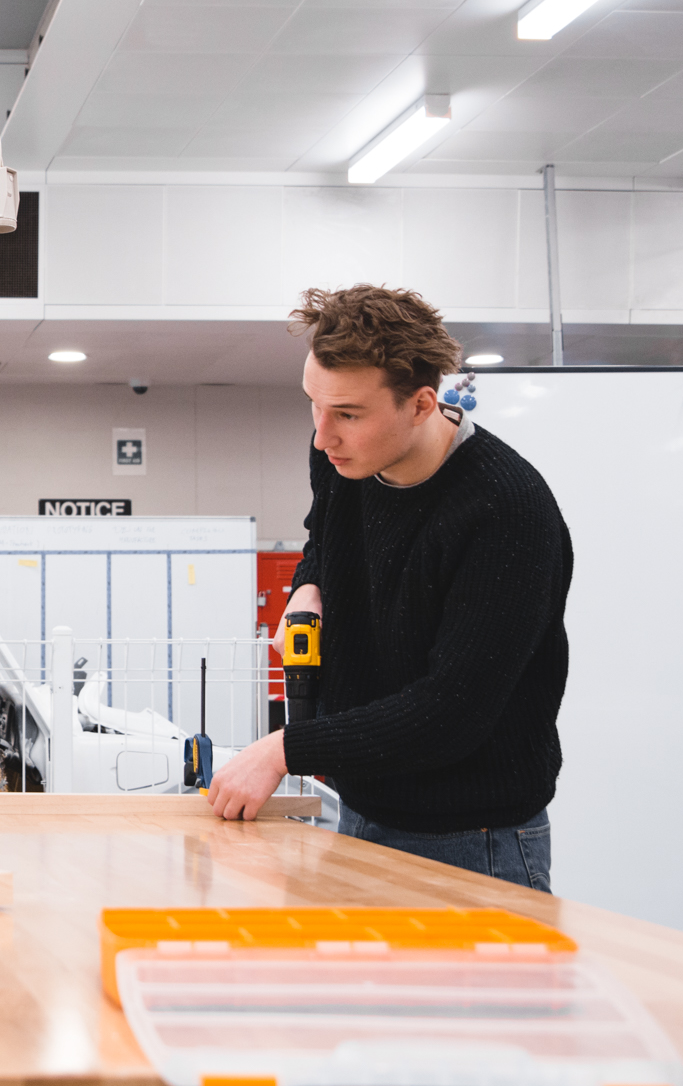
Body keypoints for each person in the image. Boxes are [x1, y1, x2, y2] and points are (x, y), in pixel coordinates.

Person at [208, 285, 571, 892]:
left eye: (348, 414)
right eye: (314, 405)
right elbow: (323, 537)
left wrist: (284, 750)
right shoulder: (345, 460)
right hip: (362, 812)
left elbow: (451, 712)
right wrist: (308, 585)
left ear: (422, 404)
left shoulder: (506, 513)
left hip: (472, 842)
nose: (323, 436)